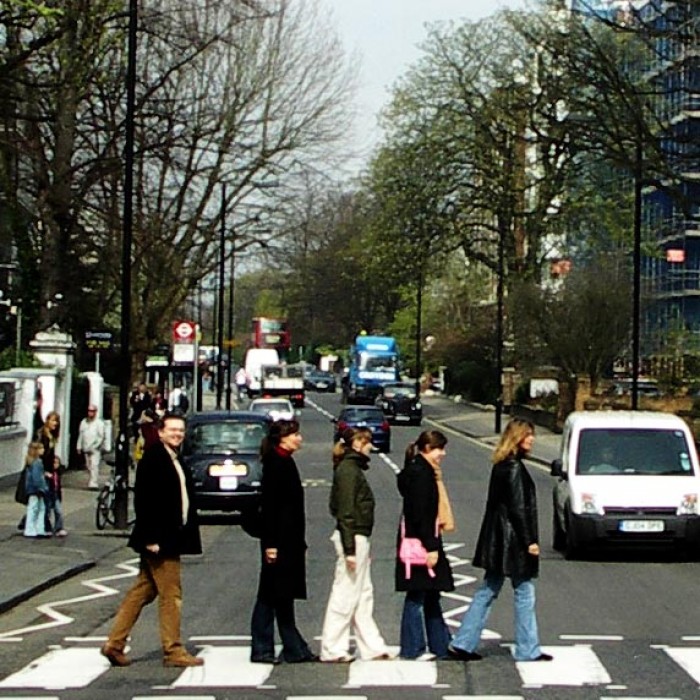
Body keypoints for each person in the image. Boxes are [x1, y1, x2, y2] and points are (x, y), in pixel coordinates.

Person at [100, 412, 204, 668]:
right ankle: (173, 650)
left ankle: (114, 643)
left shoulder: (173, 457)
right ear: (160, 432)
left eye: (181, 430)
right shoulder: (154, 459)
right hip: (161, 539)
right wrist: (149, 537)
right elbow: (145, 501)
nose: (178, 434)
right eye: (172, 430)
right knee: (171, 595)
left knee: (142, 591)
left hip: (169, 536)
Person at [448, 418, 553, 663]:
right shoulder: (514, 468)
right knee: (524, 593)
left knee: (488, 590)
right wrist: (530, 541)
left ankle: (463, 642)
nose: (532, 439)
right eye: (528, 435)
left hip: (497, 540)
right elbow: (518, 509)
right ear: (517, 438)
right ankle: (528, 649)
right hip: (513, 542)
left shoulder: (501, 465)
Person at [320, 427, 392, 663]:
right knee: (345, 593)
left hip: (358, 537)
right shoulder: (349, 471)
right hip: (352, 537)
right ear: (358, 444)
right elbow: (345, 511)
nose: (371, 447)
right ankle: (332, 648)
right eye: (368, 443)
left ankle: (371, 646)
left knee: (363, 595)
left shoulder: (351, 469)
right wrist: (350, 550)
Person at [250, 419, 317, 664]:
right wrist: (270, 545)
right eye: (295, 434)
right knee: (270, 596)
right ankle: (262, 648)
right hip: (278, 542)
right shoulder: (276, 465)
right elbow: (271, 509)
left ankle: (293, 647)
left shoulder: (284, 461)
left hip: (288, 541)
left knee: (281, 595)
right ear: (282, 438)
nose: (299, 438)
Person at [396, 430, 455, 661]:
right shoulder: (422, 474)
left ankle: (440, 645)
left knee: (429, 594)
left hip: (419, 539)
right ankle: (412, 648)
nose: (444, 453)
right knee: (417, 595)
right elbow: (420, 514)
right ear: (429, 449)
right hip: (421, 542)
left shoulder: (417, 470)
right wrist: (430, 547)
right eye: (440, 449)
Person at [36, 412, 66, 536]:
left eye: (57, 421)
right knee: (46, 503)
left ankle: (57, 527)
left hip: (52, 474)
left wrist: (56, 465)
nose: (55, 424)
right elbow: (39, 456)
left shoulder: (51, 437)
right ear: (47, 421)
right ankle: (47, 526)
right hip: (45, 474)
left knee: (53, 502)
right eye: (53, 421)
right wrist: (43, 472)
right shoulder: (42, 436)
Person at [76, 404, 106, 489]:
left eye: (92, 411)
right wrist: (79, 446)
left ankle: (93, 483)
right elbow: (81, 435)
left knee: (94, 465)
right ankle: (91, 480)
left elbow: (101, 436)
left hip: (95, 448)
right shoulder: (84, 422)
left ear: (95, 412)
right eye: (89, 411)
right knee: (88, 465)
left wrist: (96, 446)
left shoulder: (99, 423)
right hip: (86, 447)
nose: (90, 413)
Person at [23, 442, 49, 538]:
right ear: (36, 451)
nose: (43, 450)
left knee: (36, 508)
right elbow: (37, 478)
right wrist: (42, 488)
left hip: (32, 489)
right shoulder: (37, 462)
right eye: (41, 448)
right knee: (37, 509)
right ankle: (33, 529)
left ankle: (37, 529)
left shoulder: (31, 461)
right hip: (37, 489)